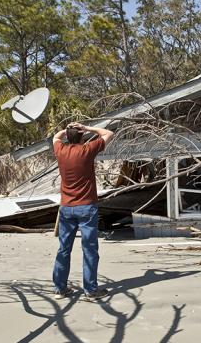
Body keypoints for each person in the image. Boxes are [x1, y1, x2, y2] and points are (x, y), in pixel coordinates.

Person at [51, 122, 114, 300]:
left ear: (68, 137)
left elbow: (55, 137)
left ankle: (60, 289)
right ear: (82, 137)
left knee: (64, 249)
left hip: (67, 208)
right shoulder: (87, 150)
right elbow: (108, 133)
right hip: (86, 207)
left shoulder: (61, 151)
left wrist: (67, 130)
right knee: (89, 249)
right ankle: (90, 290)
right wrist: (88, 128)